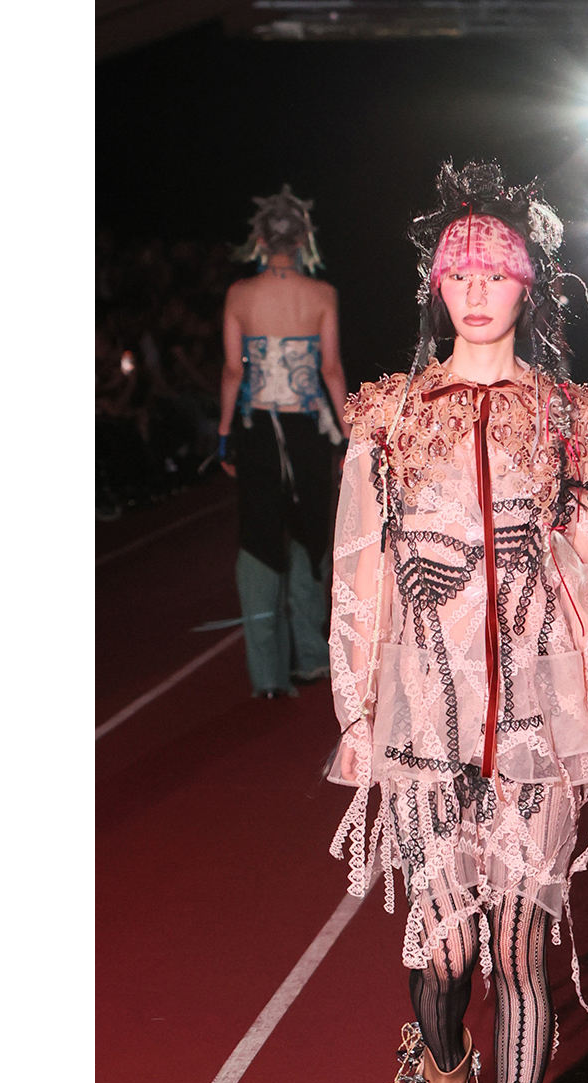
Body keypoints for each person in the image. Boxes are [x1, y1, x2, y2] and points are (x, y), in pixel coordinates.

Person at [328, 161, 588, 1083]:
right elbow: (360, 579)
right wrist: (354, 714)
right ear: (435, 284)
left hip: (534, 734)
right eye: (458, 272)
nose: (476, 290)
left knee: (517, 947)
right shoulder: (387, 419)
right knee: (441, 949)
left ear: (528, 284)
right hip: (423, 727)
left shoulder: (569, 423)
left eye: (496, 272)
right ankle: (444, 1076)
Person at [218, 187, 350, 699]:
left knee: (258, 539)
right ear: (302, 240)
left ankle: (268, 675)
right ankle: (311, 658)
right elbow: (330, 369)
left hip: (257, 430)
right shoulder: (322, 295)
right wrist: (348, 434)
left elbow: (234, 370)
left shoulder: (239, 294)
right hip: (308, 430)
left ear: (259, 239)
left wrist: (224, 433)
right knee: (310, 535)